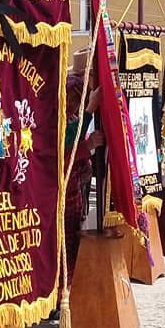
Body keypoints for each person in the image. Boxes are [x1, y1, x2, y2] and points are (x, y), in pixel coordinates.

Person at [64, 50, 104, 280]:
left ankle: (68, 287)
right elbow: (66, 141)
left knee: (73, 235)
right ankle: (63, 292)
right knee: (67, 238)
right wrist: (89, 110)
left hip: (76, 183)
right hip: (64, 188)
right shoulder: (72, 91)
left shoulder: (72, 107)